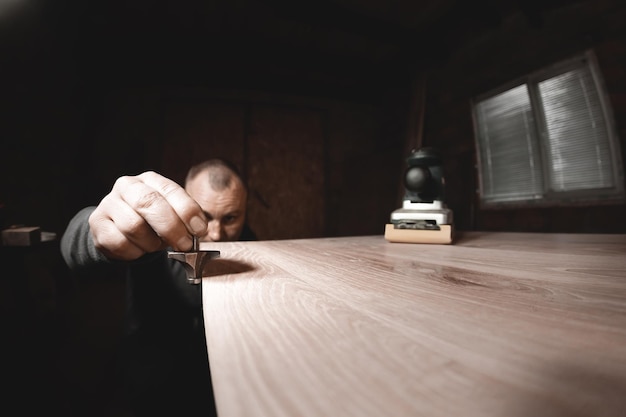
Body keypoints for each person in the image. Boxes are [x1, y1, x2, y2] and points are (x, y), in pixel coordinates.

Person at [60, 158, 255, 417]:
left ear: (244, 209)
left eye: (230, 218)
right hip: (150, 387)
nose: (217, 233)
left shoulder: (252, 244)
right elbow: (75, 243)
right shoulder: (155, 237)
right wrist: (94, 233)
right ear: (187, 202)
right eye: (204, 217)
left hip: (219, 387)